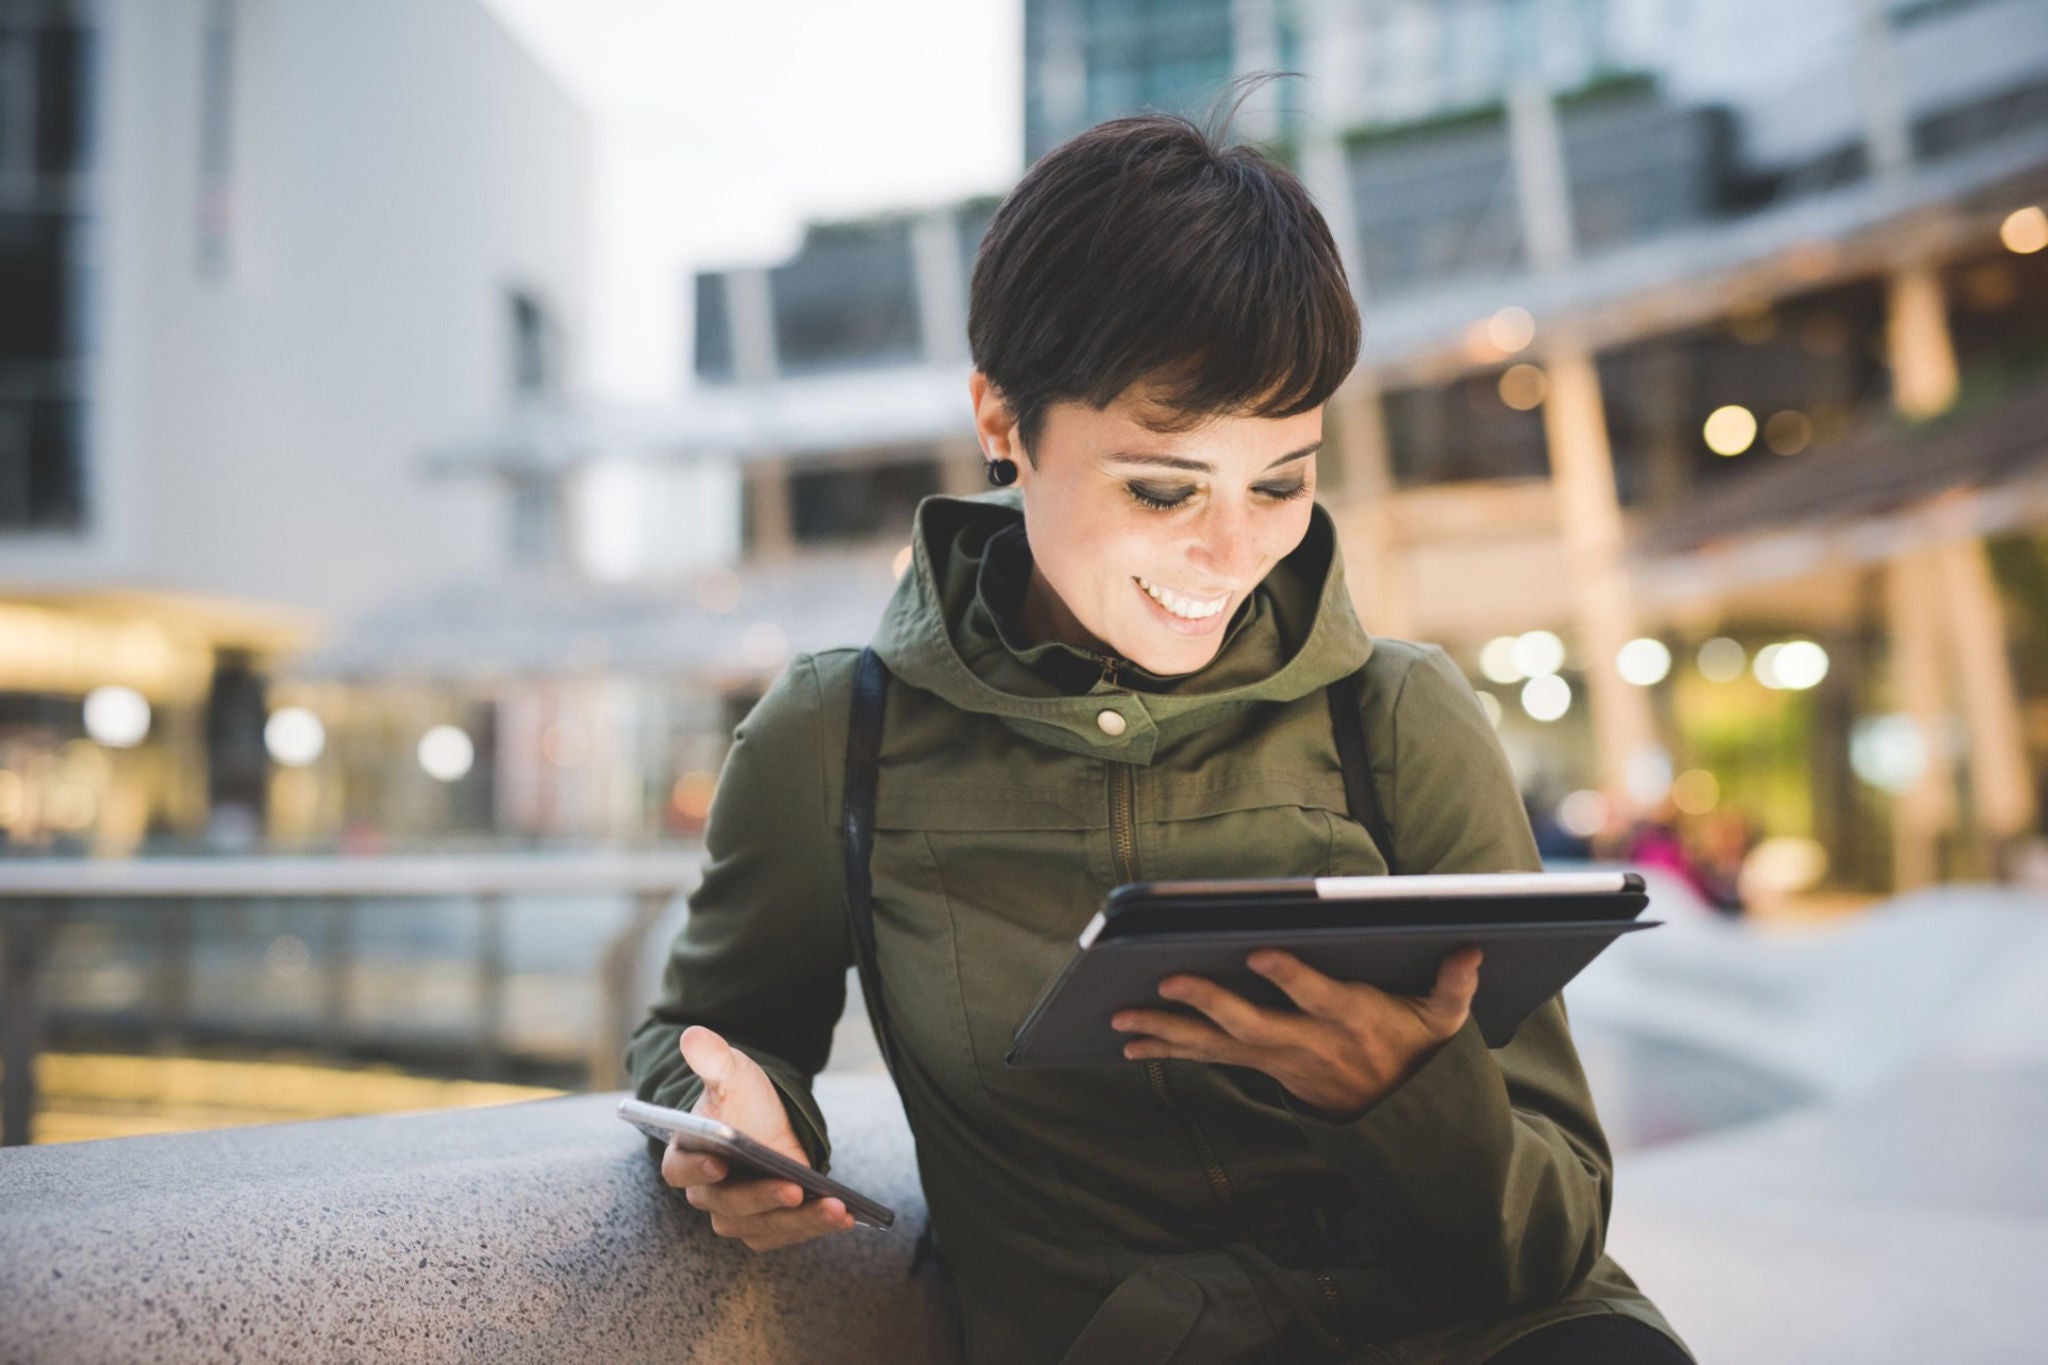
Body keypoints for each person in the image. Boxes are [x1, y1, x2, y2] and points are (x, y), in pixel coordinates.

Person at [627, 111, 1690, 1364]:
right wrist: (730, 1115)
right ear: (1001, 421)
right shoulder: (834, 737)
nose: (1230, 552)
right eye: (1162, 487)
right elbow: (703, 1036)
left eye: (1280, 484)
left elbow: (1553, 1237)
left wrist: (1403, 1095)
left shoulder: (1399, 714)